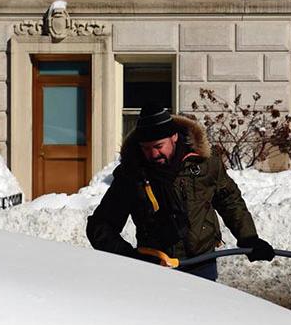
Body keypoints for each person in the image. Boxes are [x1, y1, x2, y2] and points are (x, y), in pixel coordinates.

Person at [86, 102, 275, 281]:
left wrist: (249, 238)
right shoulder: (132, 175)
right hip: (155, 268)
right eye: (146, 148)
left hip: (202, 264)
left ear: (174, 137)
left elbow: (229, 201)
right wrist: (128, 256)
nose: (153, 154)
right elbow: (100, 226)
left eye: (158, 146)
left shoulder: (204, 165)